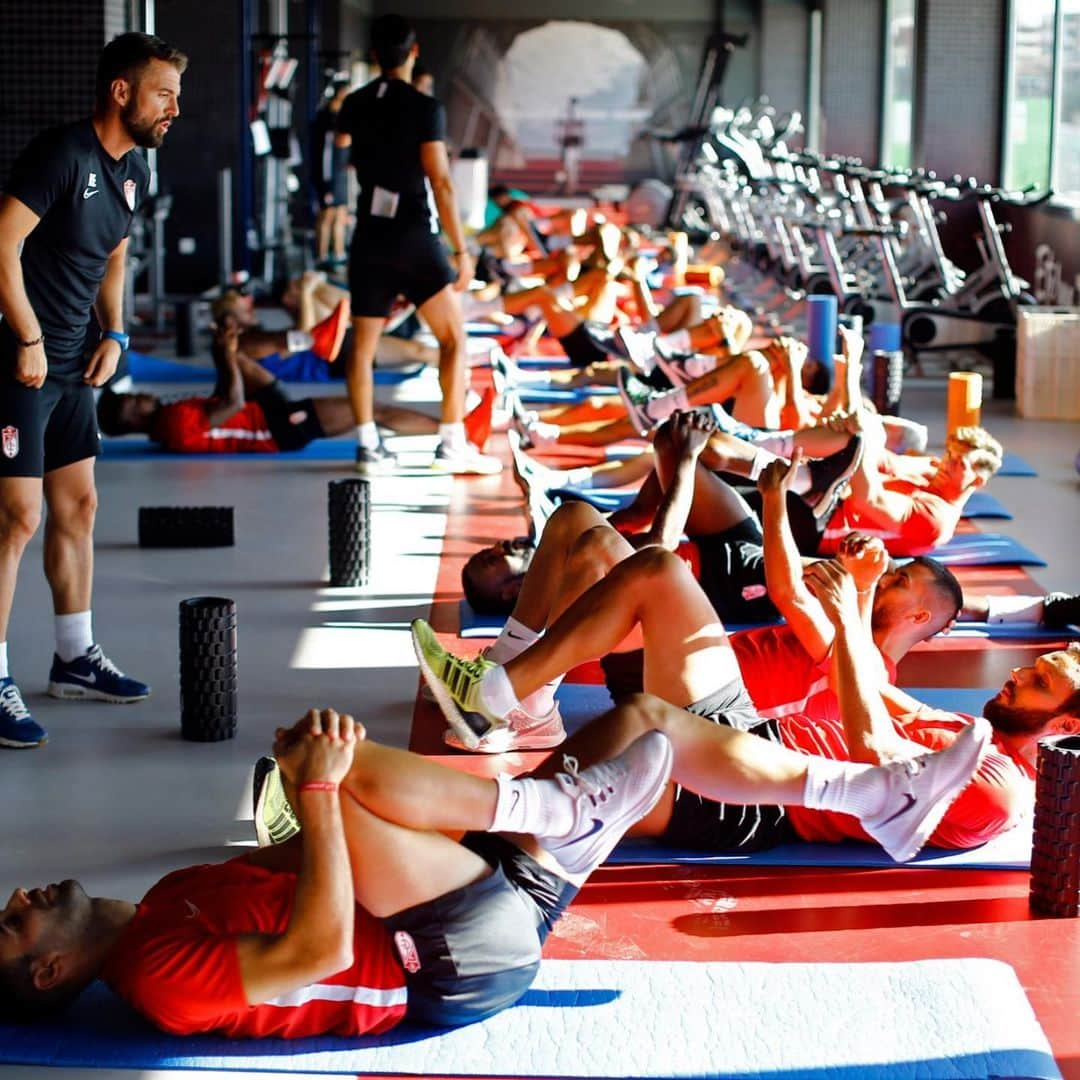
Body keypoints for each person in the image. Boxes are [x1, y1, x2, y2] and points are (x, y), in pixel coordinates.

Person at [0, 707, 675, 1033]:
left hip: (452, 895)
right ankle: (549, 808)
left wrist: (329, 787)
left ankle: (784, 786)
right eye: (12, 923)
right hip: (448, 959)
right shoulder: (155, 977)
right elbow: (326, 950)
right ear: (49, 970)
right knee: (324, 775)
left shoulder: (165, 895)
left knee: (646, 723)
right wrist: (317, 788)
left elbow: (316, 853)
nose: (20, 895)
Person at [0, 32, 186, 748]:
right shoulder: (62, 154)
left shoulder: (131, 168)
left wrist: (117, 333)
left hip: (75, 363)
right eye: (163, 94)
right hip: (19, 362)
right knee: (17, 518)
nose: (174, 109)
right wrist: (27, 337)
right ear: (121, 91)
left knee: (77, 505)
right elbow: (3, 242)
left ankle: (74, 657)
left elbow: (115, 252)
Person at [335, 15, 500, 476]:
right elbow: (441, 182)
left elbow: (343, 141)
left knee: (362, 350)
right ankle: (451, 443)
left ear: (373, 57)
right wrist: (462, 250)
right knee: (453, 339)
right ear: (414, 52)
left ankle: (368, 447)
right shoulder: (426, 108)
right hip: (413, 237)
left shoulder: (357, 103)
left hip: (368, 237)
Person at [95, 323, 450, 453]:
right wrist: (227, 359)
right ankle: (448, 435)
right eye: (130, 400)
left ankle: (311, 338)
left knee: (240, 348)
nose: (137, 395)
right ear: (130, 421)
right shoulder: (172, 426)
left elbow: (223, 396)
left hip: (264, 411)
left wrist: (226, 357)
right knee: (372, 410)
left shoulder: (168, 415)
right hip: (278, 427)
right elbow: (231, 403)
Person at [311, 74, 353, 268]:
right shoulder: (326, 118)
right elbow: (325, 153)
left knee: (340, 215)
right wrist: (325, 181)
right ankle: (321, 256)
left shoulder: (344, 117)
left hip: (342, 172)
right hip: (329, 173)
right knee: (326, 215)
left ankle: (338, 253)